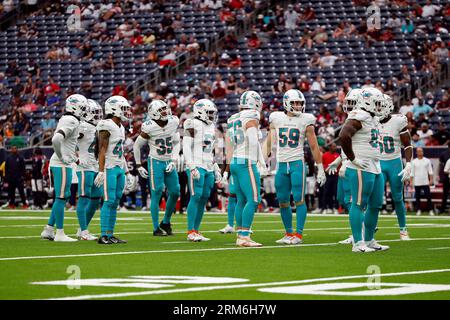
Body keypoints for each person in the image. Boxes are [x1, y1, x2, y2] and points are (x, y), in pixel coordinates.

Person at [264, 89, 326, 245]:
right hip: (281, 164)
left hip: (297, 163)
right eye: (295, 103)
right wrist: (262, 161)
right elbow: (269, 142)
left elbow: (313, 146)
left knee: (299, 199)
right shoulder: (276, 118)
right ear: (286, 103)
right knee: (283, 201)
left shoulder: (306, 120)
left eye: (300, 103)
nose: (298, 106)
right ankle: (288, 233)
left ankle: (298, 234)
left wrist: (320, 167)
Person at [339, 87, 389, 253]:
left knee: (375, 205)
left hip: (375, 165)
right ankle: (358, 243)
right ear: (367, 102)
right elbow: (344, 135)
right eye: (377, 103)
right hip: (361, 165)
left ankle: (369, 239)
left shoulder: (372, 118)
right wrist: (352, 158)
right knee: (359, 204)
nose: (380, 106)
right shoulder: (358, 115)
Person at [40, 94, 88, 242]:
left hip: (63, 162)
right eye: (82, 107)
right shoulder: (71, 120)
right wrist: (62, 157)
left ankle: (49, 229)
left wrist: (72, 156)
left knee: (62, 197)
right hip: (60, 163)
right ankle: (59, 233)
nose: (84, 110)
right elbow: (56, 139)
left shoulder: (70, 119)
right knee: (61, 198)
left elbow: (66, 143)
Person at [223, 90, 266, 247]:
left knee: (241, 200)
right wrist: (261, 161)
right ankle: (244, 236)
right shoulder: (252, 115)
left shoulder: (233, 118)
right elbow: (253, 140)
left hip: (235, 160)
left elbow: (230, 144)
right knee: (254, 199)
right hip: (246, 161)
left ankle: (240, 234)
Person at [133, 100, 181, 236]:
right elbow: (137, 146)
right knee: (157, 192)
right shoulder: (149, 127)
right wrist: (138, 165)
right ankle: (156, 228)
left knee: (176, 192)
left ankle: (165, 222)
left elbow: (177, 142)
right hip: (155, 162)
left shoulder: (173, 122)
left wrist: (174, 159)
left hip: (168, 161)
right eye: (161, 110)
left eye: (165, 109)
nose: (165, 112)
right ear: (154, 113)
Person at [94, 95, 134, 244]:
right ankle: (103, 234)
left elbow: (121, 151)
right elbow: (102, 149)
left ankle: (110, 234)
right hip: (109, 167)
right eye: (123, 108)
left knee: (116, 201)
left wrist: (127, 172)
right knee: (109, 200)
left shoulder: (121, 127)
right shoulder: (106, 124)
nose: (126, 112)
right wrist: (101, 170)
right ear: (113, 109)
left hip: (118, 167)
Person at [183, 99, 222, 241]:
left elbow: (210, 150)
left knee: (204, 197)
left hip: (208, 165)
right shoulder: (192, 123)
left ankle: (196, 230)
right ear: (200, 111)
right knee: (196, 196)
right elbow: (186, 146)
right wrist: (191, 166)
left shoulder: (211, 127)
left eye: (213, 113)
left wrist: (216, 166)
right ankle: (190, 231)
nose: (212, 116)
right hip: (196, 163)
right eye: (209, 113)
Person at [378, 94, 413, 240]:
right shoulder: (371, 121)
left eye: (380, 105)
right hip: (378, 162)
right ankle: (370, 227)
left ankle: (403, 229)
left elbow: (407, 145)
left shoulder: (398, 121)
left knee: (398, 198)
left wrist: (409, 163)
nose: (378, 108)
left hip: (394, 162)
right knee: (375, 198)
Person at [75, 99, 103, 241]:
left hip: (96, 167)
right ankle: (84, 231)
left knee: (96, 199)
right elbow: (67, 141)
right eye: (95, 113)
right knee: (84, 198)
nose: (98, 116)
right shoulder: (82, 126)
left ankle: (81, 228)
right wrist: (75, 157)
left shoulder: (97, 127)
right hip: (85, 166)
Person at [411, 147, 434, 216]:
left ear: (423, 152)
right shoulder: (414, 161)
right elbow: (412, 172)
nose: (420, 152)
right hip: (417, 182)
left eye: (421, 151)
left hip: (425, 182)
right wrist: (411, 181)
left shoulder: (427, 160)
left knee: (428, 196)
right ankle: (418, 210)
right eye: (418, 151)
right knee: (417, 197)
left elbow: (430, 171)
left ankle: (430, 210)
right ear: (416, 153)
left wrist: (431, 180)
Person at [322, 143, 339, 214]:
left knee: (335, 192)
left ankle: (335, 208)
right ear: (330, 147)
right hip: (327, 176)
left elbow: (340, 165)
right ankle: (325, 208)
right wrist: (326, 169)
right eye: (334, 146)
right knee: (326, 192)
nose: (335, 147)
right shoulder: (325, 155)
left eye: (336, 146)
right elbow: (322, 164)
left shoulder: (338, 155)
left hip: (336, 176)